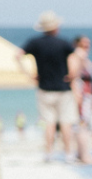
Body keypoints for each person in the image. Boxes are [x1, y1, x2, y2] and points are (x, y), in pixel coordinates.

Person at [21, 12, 79, 161]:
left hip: (45, 88)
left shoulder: (35, 43)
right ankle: (68, 153)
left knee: (49, 123)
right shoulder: (64, 43)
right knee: (66, 122)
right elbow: (75, 58)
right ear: (55, 27)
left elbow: (18, 55)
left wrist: (28, 74)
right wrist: (72, 74)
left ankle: (49, 152)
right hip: (63, 88)